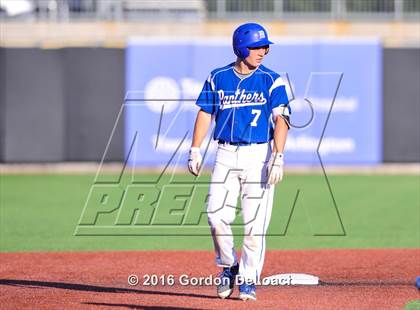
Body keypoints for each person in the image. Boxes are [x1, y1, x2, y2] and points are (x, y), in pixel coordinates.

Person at [188, 22, 291, 301]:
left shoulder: (272, 79)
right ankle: (227, 265)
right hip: (224, 154)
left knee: (255, 226)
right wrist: (195, 149)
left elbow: (281, 119)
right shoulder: (218, 77)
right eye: (257, 47)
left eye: (266, 47)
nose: (263, 52)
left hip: (259, 155)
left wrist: (278, 156)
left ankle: (248, 278)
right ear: (241, 47)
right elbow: (205, 112)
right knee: (215, 216)